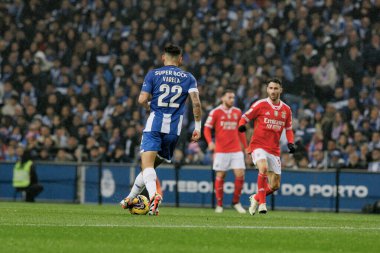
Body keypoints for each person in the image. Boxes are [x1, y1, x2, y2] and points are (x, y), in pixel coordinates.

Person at [120, 44, 202, 215]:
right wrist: (198, 127)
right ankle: (129, 198)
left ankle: (153, 196)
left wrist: (149, 105)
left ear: (163, 57)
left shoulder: (154, 74)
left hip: (155, 125)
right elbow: (196, 103)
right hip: (174, 131)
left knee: (147, 164)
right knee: (149, 168)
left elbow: (141, 99)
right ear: (180, 59)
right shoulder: (189, 77)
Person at [238, 78, 295, 215]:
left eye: (276, 88)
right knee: (263, 168)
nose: (273, 91)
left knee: (275, 185)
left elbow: (288, 129)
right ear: (267, 89)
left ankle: (256, 197)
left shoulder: (286, 109)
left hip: (274, 149)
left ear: (281, 90)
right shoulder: (260, 104)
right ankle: (262, 204)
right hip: (258, 145)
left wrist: (290, 142)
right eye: (271, 88)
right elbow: (245, 117)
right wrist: (241, 125)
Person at [204, 89, 248, 214]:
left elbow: (241, 131)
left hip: (236, 149)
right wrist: (210, 142)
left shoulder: (238, 112)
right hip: (221, 150)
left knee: (240, 174)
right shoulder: (215, 112)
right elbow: (207, 129)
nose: (232, 100)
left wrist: (246, 147)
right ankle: (219, 205)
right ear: (222, 98)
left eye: (233, 97)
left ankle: (236, 202)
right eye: (229, 97)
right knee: (221, 175)